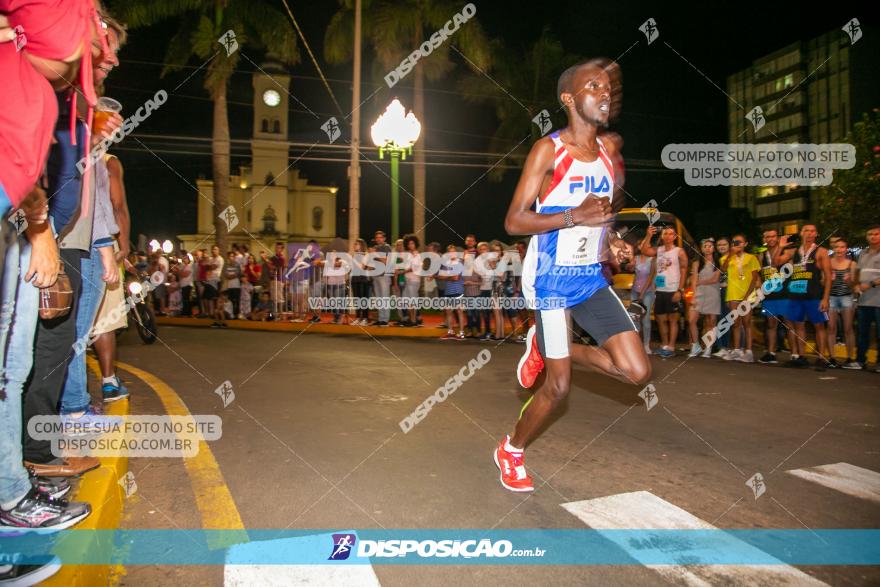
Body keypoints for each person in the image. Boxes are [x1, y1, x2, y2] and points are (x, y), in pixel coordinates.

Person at [496, 58, 649, 493]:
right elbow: (513, 222)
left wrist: (612, 239)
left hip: (589, 277)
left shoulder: (607, 154)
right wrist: (571, 216)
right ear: (569, 98)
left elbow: (603, 216)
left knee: (637, 371)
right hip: (549, 279)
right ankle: (511, 450)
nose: (605, 93)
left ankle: (544, 348)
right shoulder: (549, 151)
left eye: (607, 88)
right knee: (558, 388)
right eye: (593, 86)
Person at [775, 225, 832, 369]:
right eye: (806, 230)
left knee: (819, 326)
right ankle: (801, 356)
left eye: (812, 231)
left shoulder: (821, 252)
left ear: (816, 234)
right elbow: (776, 262)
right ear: (801, 233)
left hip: (814, 295)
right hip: (796, 295)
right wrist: (780, 246)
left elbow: (828, 276)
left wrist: (825, 298)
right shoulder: (794, 251)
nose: (809, 233)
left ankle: (821, 357)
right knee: (798, 325)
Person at [639, 225, 688, 357]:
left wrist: (680, 290)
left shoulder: (679, 251)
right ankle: (664, 344)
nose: (667, 236)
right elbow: (644, 251)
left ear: (675, 237)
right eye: (665, 233)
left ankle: (671, 347)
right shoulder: (659, 250)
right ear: (662, 236)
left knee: (673, 320)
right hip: (660, 290)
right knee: (660, 320)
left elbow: (684, 271)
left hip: (673, 289)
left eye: (670, 234)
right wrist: (648, 235)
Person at [719, 234, 760, 362]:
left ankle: (748, 352)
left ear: (745, 244)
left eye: (740, 242)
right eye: (734, 242)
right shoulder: (727, 257)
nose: (737, 244)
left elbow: (754, 278)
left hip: (747, 294)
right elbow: (723, 269)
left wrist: (748, 295)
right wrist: (731, 254)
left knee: (747, 323)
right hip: (732, 294)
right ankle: (737, 350)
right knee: (735, 323)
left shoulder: (751, 258)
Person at [757, 229, 794, 364]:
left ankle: (795, 355)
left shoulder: (787, 251)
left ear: (777, 238)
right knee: (771, 325)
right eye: (768, 236)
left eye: (773, 236)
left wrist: (781, 247)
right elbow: (759, 275)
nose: (771, 238)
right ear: (764, 239)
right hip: (770, 295)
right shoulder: (762, 255)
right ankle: (771, 353)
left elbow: (776, 263)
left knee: (789, 324)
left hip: (785, 294)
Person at [826, 237, 859, 369]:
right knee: (831, 328)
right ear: (833, 249)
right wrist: (830, 279)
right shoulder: (828, 263)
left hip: (847, 298)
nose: (839, 249)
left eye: (842, 247)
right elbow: (823, 282)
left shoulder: (852, 264)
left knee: (848, 329)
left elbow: (854, 285)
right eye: (836, 247)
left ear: (846, 249)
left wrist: (849, 280)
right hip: (831, 298)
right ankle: (832, 358)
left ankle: (850, 358)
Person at [687, 238, 721, 357]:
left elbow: (715, 279)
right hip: (699, 294)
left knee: (711, 322)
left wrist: (700, 282)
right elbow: (693, 279)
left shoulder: (718, 262)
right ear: (702, 248)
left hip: (713, 293)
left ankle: (708, 348)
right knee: (691, 320)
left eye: (710, 246)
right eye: (705, 246)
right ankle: (695, 345)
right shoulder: (697, 262)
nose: (707, 248)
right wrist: (693, 296)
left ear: (713, 248)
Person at [855, 225, 880, 371]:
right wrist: (856, 284)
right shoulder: (863, 253)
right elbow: (858, 272)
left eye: (876, 234)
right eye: (870, 234)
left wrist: (869, 284)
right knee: (862, 332)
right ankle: (860, 360)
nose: (873, 236)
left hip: (878, 301)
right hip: (864, 301)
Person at [630, 246, 656, 354]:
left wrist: (643, 292)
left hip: (647, 292)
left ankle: (646, 345)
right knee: (634, 318)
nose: (642, 247)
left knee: (645, 319)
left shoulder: (652, 259)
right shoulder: (635, 258)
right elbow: (630, 270)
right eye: (641, 245)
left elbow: (651, 276)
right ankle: (636, 344)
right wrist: (630, 265)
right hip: (635, 291)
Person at [439, 245, 466, 340]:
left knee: (459, 311)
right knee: (448, 311)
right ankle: (450, 332)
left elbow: (456, 278)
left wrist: (446, 275)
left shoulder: (459, 263)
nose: (452, 254)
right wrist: (449, 276)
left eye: (453, 252)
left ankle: (462, 334)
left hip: (458, 290)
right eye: (450, 252)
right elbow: (440, 276)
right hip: (448, 290)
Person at [349, 239, 371, 326]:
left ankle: (365, 318)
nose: (354, 245)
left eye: (356, 244)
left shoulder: (366, 255)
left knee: (363, 299)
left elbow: (363, 267)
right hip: (355, 279)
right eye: (354, 244)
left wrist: (353, 259)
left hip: (363, 279)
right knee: (357, 299)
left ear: (361, 245)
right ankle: (358, 318)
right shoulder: (354, 256)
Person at [222, 250, 242, 318]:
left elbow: (236, 274)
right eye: (230, 256)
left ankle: (237, 315)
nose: (231, 257)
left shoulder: (237, 264)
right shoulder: (226, 265)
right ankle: (231, 315)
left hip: (236, 286)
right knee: (230, 301)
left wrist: (230, 276)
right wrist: (230, 276)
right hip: (229, 286)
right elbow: (226, 275)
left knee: (236, 301)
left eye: (232, 256)